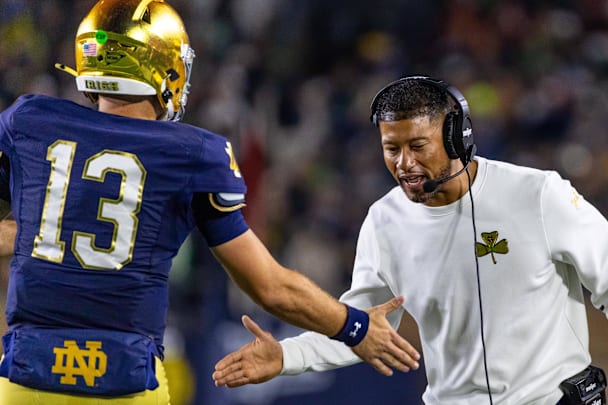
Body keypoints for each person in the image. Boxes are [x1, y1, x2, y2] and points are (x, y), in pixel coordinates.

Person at [0, 1, 421, 404]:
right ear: (162, 66)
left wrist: (35, 235)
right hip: (122, 384)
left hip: (25, 378)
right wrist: (356, 327)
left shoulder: (30, 122)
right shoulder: (192, 152)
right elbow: (271, 288)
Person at [212, 76, 608, 405]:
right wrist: (286, 355)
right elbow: (362, 327)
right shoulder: (383, 222)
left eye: (417, 147)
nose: (403, 163)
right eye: (391, 149)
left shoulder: (538, 195)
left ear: (458, 138)